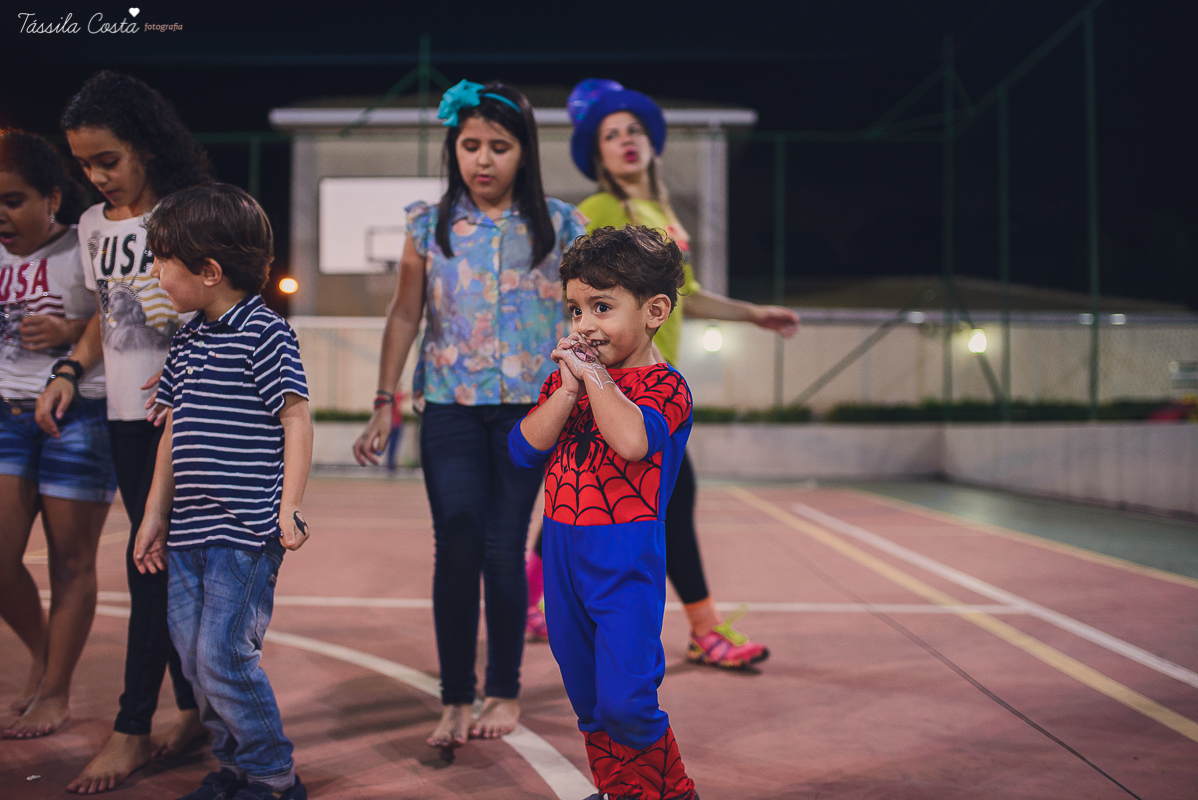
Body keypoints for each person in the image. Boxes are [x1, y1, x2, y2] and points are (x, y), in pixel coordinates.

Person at [525, 79, 801, 669]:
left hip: (654, 379)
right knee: (621, 491)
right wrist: (579, 355)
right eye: (610, 135)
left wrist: (755, 314)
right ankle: (700, 628)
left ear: (651, 143)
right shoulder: (597, 211)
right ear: (596, 154)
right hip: (613, 376)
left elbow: (689, 297)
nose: (625, 142)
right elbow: (577, 293)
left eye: (633, 131)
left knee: (608, 494)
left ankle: (537, 598)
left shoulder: (660, 212)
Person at [352, 80, 587, 749]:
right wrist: (383, 400)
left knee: (501, 549)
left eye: (500, 147)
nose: (483, 159)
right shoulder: (428, 225)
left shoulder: (562, 224)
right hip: (450, 407)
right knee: (455, 539)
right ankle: (455, 695)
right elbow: (404, 313)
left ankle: (504, 688)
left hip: (528, 414)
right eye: (470, 144)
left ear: (525, 152)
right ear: (454, 147)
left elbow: (589, 311)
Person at [41, 71, 212, 793]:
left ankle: (132, 729)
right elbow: (103, 321)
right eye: (83, 162)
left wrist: (190, 382)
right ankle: (196, 711)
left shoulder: (187, 215)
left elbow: (222, 310)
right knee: (162, 571)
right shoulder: (90, 228)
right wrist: (66, 370)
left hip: (185, 421)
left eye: (107, 158)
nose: (96, 175)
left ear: (144, 144)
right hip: (121, 419)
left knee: (151, 572)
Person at [132, 183, 313, 800]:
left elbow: (295, 417)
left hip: (245, 530)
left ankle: (272, 773)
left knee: (223, 657)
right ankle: (234, 765)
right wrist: (155, 513)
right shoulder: (186, 338)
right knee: (192, 661)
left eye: (163, 260)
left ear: (208, 272)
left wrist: (289, 509)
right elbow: (174, 428)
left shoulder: (265, 333)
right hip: (188, 530)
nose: (154, 271)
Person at [509, 225, 699, 800]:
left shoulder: (667, 387)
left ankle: (673, 792)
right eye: (574, 310)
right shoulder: (566, 383)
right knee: (589, 697)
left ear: (654, 311)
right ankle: (621, 789)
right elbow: (522, 450)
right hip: (563, 550)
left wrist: (591, 378)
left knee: (627, 698)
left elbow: (633, 442)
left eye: (602, 307)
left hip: (625, 557)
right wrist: (567, 390)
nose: (584, 324)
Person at [0, 130, 115, 739]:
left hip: (80, 416)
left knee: (71, 563)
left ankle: (55, 691)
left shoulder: (84, 247)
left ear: (51, 198)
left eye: (15, 200)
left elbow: (115, 314)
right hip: (7, 415)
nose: (3, 215)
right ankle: (45, 654)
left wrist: (69, 330)